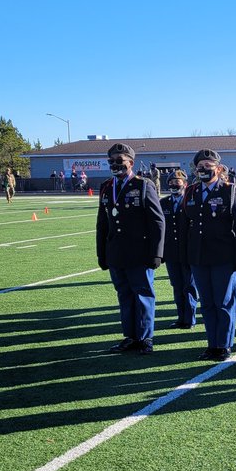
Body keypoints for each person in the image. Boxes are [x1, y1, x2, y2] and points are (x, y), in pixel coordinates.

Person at [96, 142, 165, 354]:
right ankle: (130, 336)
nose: (115, 164)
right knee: (124, 296)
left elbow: (157, 221)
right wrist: (102, 253)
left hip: (139, 253)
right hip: (116, 253)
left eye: (120, 161)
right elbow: (102, 223)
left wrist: (156, 253)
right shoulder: (107, 187)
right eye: (112, 162)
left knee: (143, 295)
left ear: (131, 163)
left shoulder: (143, 185)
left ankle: (145, 337)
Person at [182, 149, 236, 362]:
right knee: (207, 303)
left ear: (219, 169)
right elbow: (186, 226)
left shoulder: (230, 191)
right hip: (199, 257)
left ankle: (224, 345)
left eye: (208, 167)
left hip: (224, 257)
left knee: (224, 302)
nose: (203, 170)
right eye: (200, 167)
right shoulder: (190, 191)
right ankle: (212, 344)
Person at [159, 168, 198, 329]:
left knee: (189, 286)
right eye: (172, 183)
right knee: (176, 285)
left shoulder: (191, 201)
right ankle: (181, 317)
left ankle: (189, 319)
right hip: (171, 252)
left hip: (188, 251)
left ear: (185, 184)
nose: (174, 185)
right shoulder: (164, 203)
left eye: (177, 183)